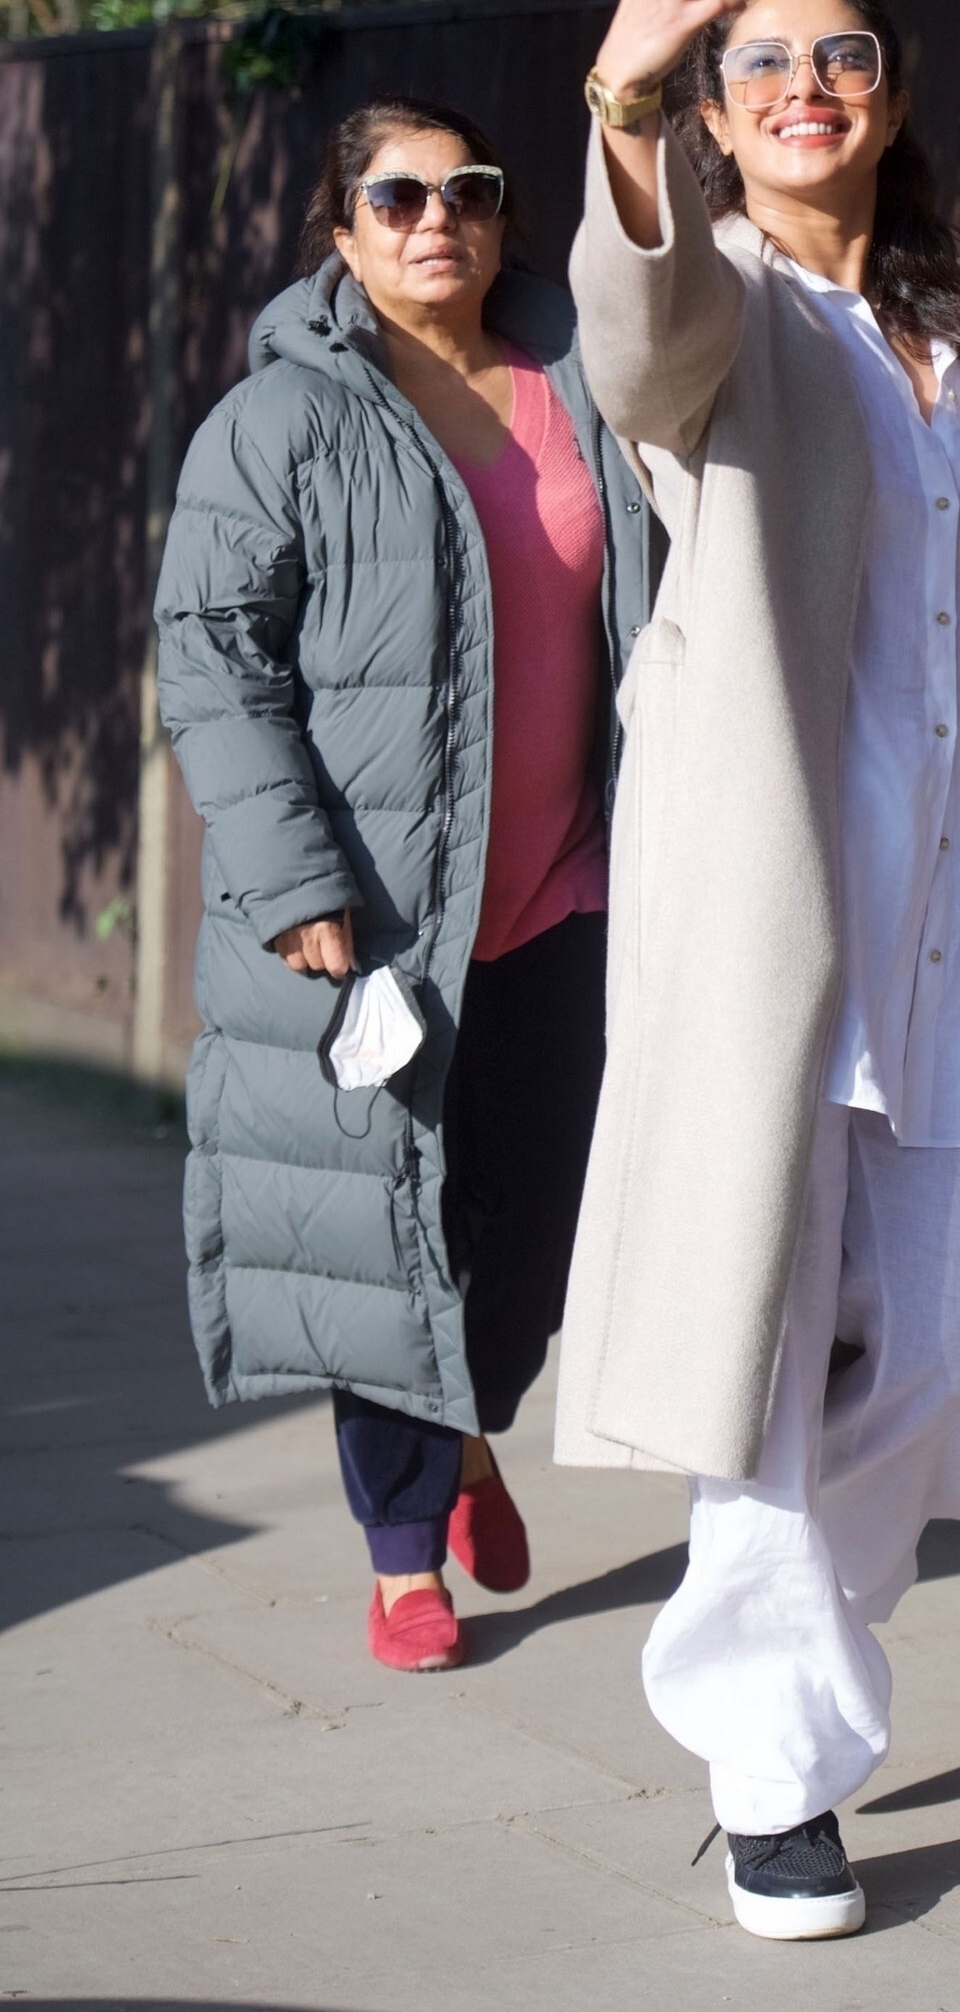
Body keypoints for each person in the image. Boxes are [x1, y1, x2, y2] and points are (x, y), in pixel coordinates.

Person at [555, 0, 960, 1938]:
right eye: (758, 66)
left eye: (837, 57)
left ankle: (789, 1688)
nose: (800, 86)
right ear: (718, 123)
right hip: (781, 932)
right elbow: (632, 339)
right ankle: (773, 1776)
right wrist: (624, 92)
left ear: (889, 99)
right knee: (762, 1356)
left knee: (931, 1358)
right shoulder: (717, 318)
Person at [156, 95, 657, 1675]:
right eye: (397, 197)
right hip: (370, 921)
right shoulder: (279, 423)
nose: (437, 219)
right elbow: (213, 661)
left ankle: (468, 1424)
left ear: (502, 219)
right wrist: (291, 876)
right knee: (379, 1231)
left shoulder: (586, 386)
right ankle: (399, 1553)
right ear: (342, 233)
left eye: (469, 191)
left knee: (541, 1225)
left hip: (568, 892)